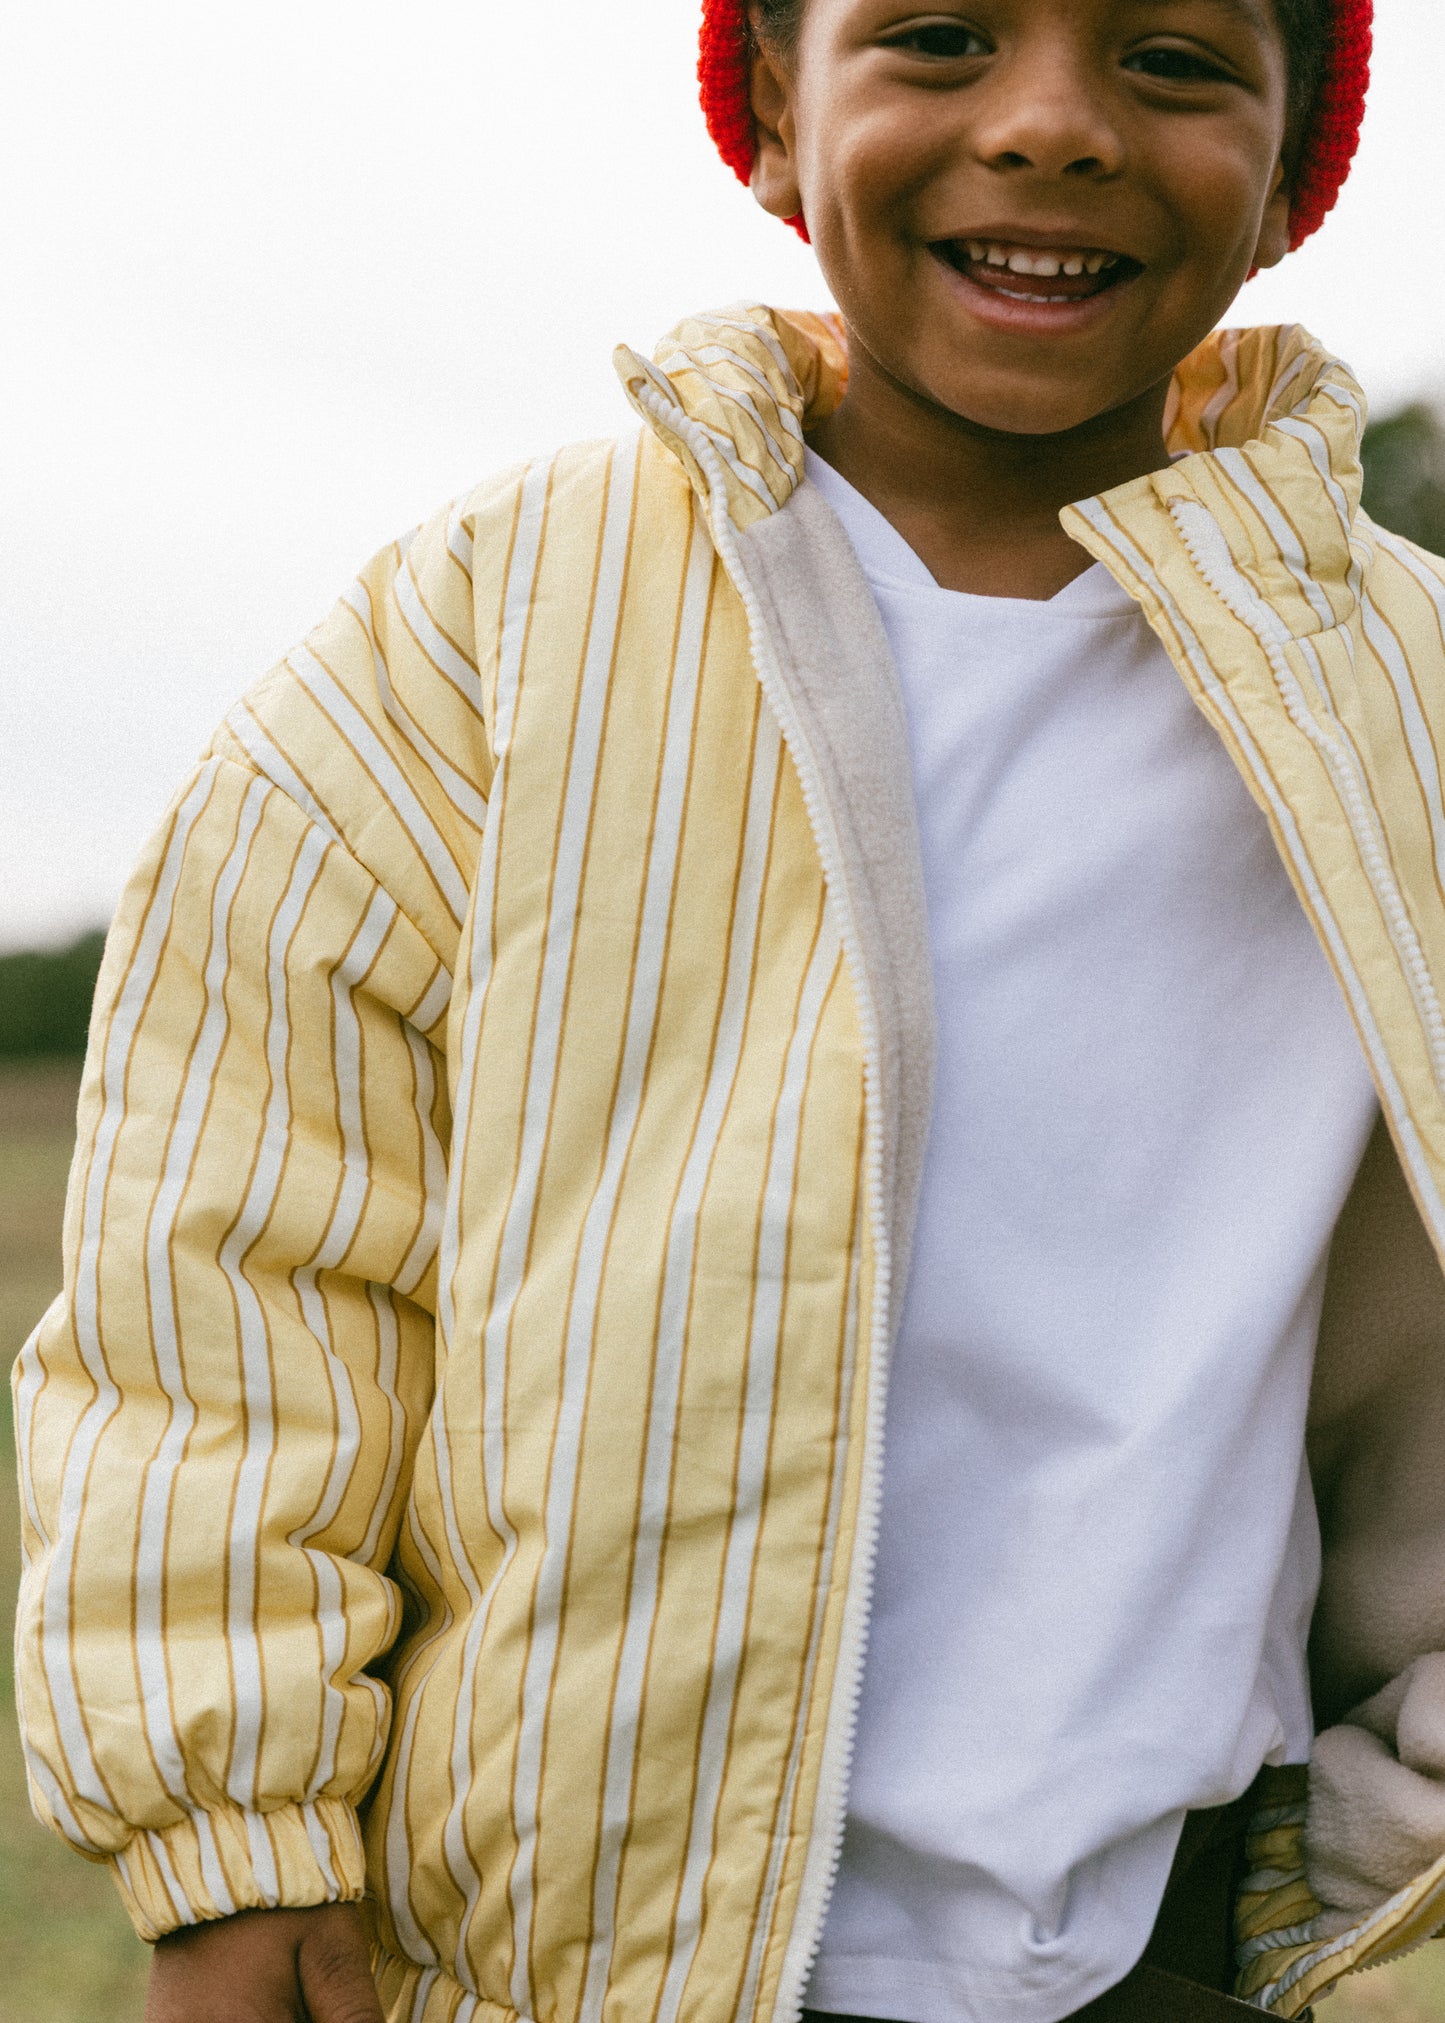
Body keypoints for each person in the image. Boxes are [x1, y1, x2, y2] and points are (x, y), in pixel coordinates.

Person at [14, 0, 1445, 2019]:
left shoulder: (1403, 712)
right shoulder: (488, 631)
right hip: (558, 1957)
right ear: (777, 108)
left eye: (1175, 61)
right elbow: (231, 1284)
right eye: (941, 39)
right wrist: (230, 1847)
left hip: (1160, 1954)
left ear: (1297, 162)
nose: (1052, 125)